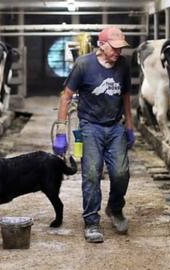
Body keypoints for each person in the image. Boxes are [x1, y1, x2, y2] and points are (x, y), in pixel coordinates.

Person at [53, 27, 135, 243]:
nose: (118, 52)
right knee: (91, 173)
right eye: (114, 48)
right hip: (91, 126)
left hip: (115, 125)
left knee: (121, 173)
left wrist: (129, 126)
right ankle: (91, 222)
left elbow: (126, 95)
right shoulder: (83, 64)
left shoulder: (123, 65)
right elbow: (66, 96)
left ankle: (115, 209)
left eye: (121, 48)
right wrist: (61, 132)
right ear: (102, 45)